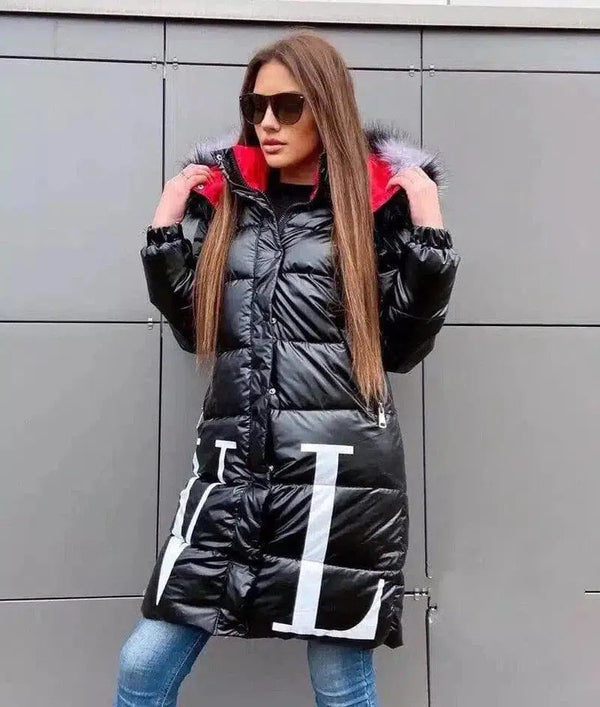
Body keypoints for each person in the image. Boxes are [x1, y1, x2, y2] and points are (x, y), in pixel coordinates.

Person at [113, 29, 461, 707]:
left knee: (338, 683)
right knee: (143, 664)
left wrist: (429, 233)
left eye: (288, 105)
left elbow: (400, 348)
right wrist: (165, 230)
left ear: (326, 107)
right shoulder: (231, 204)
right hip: (231, 474)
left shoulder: (374, 207)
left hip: (337, 484)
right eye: (256, 106)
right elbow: (199, 332)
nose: (267, 122)